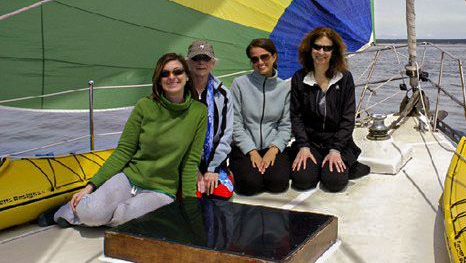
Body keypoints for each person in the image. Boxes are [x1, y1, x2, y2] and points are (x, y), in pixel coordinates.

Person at [50, 53, 206, 227]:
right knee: (92, 214)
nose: (172, 77)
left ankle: (95, 211)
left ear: (187, 76)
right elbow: (123, 151)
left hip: (161, 191)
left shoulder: (198, 112)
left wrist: (190, 209)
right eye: (165, 73)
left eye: (177, 72)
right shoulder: (145, 106)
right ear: (159, 80)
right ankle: (74, 208)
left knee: (124, 216)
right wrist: (89, 187)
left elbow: (190, 164)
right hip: (129, 179)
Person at [290, 27, 370, 192]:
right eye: (317, 47)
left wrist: (336, 149)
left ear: (334, 52)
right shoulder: (299, 78)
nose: (321, 52)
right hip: (311, 143)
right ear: (310, 49)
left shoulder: (344, 78)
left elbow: (348, 118)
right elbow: (296, 116)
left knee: (334, 183)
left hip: (338, 143)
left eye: (327, 48)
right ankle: (322, 166)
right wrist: (303, 146)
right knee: (302, 181)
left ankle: (344, 163)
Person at [229, 38, 291, 195]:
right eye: (255, 59)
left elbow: (286, 125)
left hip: (272, 146)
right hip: (245, 147)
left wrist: (274, 149)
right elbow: (235, 123)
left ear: (274, 57)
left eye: (264, 57)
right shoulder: (239, 84)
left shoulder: (284, 88)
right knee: (250, 185)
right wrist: (252, 151)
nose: (260, 62)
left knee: (278, 184)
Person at [187, 40, 234, 199]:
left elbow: (226, 135)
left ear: (213, 63)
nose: (201, 62)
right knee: (191, 197)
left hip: (212, 160)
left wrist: (212, 169)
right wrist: (193, 170)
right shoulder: (180, 93)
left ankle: (225, 173)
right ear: (188, 62)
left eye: (205, 58)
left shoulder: (223, 94)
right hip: (185, 161)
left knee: (221, 194)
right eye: (196, 58)